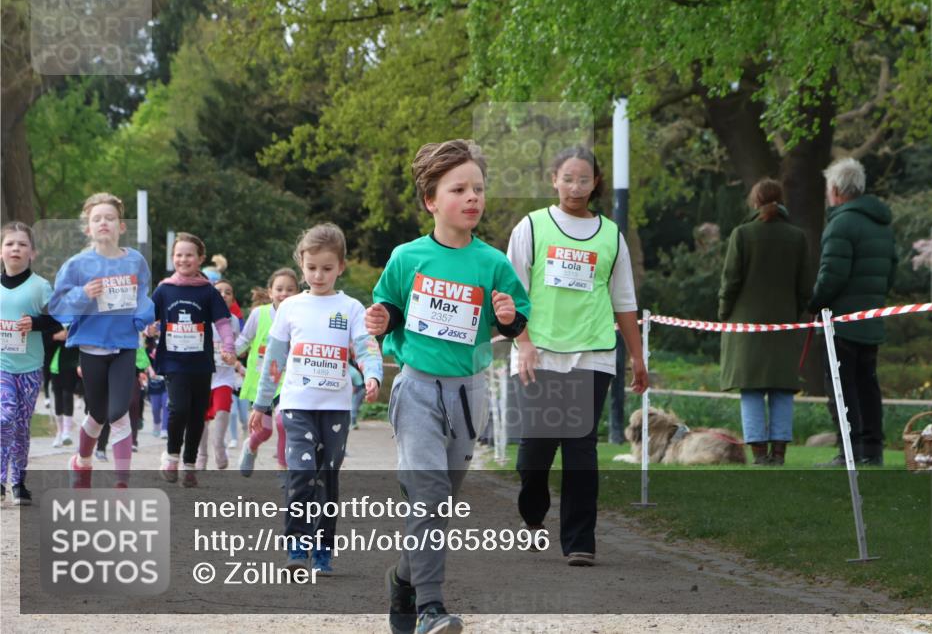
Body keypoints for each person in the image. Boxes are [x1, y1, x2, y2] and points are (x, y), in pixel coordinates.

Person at [367, 139, 530, 634]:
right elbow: (388, 305)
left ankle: (403, 581)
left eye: (478, 188)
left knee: (440, 502)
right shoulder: (407, 256)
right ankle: (431, 610)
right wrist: (381, 317)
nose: (472, 197)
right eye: (459, 188)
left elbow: (515, 319)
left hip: (469, 391)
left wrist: (508, 319)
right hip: (416, 387)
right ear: (431, 201)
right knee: (431, 494)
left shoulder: (492, 263)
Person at [506, 145, 648, 568]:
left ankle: (579, 541)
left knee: (581, 449)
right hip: (540, 353)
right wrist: (524, 343)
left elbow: (623, 300)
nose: (575, 186)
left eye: (583, 179)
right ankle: (534, 515)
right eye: (567, 178)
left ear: (595, 183)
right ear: (554, 180)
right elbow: (512, 294)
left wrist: (637, 357)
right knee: (535, 454)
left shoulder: (611, 235)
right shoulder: (531, 227)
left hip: (593, 353)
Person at [251, 223, 382, 574]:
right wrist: (262, 404)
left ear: (340, 266)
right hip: (296, 406)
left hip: (335, 409)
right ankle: (296, 545)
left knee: (326, 477)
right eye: (311, 268)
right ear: (301, 266)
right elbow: (274, 361)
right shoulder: (290, 308)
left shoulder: (352, 307)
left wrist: (372, 374)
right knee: (302, 471)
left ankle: (323, 546)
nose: (318, 275)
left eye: (327, 268)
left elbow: (367, 347)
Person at [50, 193, 155, 489]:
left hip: (124, 347)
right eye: (97, 219)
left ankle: (122, 483)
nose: (103, 223)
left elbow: (143, 295)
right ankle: (82, 461)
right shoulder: (77, 265)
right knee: (97, 414)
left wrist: (142, 318)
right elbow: (58, 306)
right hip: (91, 347)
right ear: (88, 229)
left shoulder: (135, 260)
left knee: (119, 412)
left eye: (110, 218)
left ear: (122, 226)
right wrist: (84, 294)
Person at [809, 158, 897, 467]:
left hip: (842, 324)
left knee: (841, 389)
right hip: (871, 319)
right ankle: (872, 451)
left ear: (834, 189)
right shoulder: (882, 224)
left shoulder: (841, 224)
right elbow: (891, 272)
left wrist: (813, 303)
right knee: (868, 386)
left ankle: (849, 451)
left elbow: (832, 275)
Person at [718, 178, 811, 466]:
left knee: (752, 388)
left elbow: (730, 280)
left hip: (747, 327)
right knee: (782, 388)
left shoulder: (742, 234)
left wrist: (723, 312)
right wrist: (795, 315)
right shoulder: (798, 237)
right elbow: (805, 286)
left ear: (754, 202)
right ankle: (779, 453)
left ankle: (759, 454)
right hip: (784, 325)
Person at [150, 233, 236, 486]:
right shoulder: (164, 289)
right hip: (174, 360)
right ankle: (172, 456)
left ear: (200, 259)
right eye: (178, 254)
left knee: (198, 413)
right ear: (172, 258)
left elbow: (222, 321)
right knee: (179, 409)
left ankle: (190, 464)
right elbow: (150, 317)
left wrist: (228, 347)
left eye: (189, 255)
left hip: (200, 362)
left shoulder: (208, 291)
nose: (183, 259)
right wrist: (149, 328)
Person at [1, 222, 58, 504]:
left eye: (22, 244)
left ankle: (18, 483)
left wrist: (35, 323)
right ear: (1, 251)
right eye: (10, 243)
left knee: (21, 425)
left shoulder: (40, 287)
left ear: (32, 253)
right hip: (1, 366)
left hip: (30, 367)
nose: (16, 249)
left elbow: (59, 317)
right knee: (4, 417)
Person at [236, 268, 298, 476]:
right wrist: (231, 353)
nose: (284, 293)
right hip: (261, 381)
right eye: (279, 289)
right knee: (265, 431)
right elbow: (245, 339)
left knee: (283, 423)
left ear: (297, 292)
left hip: (287, 381)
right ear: (270, 292)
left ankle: (283, 469)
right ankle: (250, 446)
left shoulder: (300, 316)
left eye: (290, 289)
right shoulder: (259, 314)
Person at [196, 278, 242, 470]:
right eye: (219, 291)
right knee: (201, 419)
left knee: (223, 410)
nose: (223, 295)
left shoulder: (234, 322)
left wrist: (234, 357)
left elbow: (240, 346)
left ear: (233, 299)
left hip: (224, 376)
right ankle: (201, 455)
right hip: (202, 376)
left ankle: (219, 445)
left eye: (228, 292)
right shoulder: (201, 317)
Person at [48, 327, 80, 448]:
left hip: (70, 365)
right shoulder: (55, 321)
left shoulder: (75, 320)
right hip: (54, 366)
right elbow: (46, 339)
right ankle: (59, 432)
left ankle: (67, 432)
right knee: (58, 399)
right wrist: (56, 336)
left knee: (67, 396)